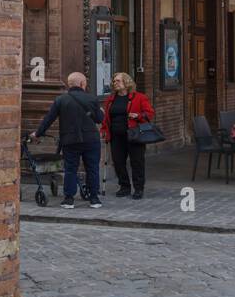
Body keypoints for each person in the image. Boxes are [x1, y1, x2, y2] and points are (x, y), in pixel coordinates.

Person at [32, 71, 104, 208]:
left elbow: (49, 119)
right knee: (92, 168)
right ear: (83, 84)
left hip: (70, 140)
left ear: (69, 84)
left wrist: (38, 133)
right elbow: (99, 119)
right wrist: (101, 112)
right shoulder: (92, 99)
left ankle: (69, 199)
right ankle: (94, 199)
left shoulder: (60, 100)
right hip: (91, 140)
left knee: (70, 169)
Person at [101, 72, 155, 200]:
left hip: (134, 135)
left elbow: (150, 113)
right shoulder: (111, 99)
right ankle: (124, 186)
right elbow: (106, 118)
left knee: (137, 162)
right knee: (118, 162)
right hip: (116, 135)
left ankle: (138, 188)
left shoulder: (139, 97)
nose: (115, 83)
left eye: (118, 81)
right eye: (114, 81)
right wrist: (104, 130)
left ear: (127, 82)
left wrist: (138, 116)